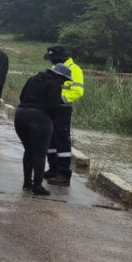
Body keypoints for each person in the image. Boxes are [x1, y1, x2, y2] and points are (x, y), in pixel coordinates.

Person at [14, 63, 73, 195]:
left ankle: (27, 183)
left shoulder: (32, 79)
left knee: (28, 150)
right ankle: (37, 186)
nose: (64, 83)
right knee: (39, 154)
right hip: (39, 119)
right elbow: (53, 106)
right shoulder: (54, 85)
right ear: (59, 76)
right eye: (64, 80)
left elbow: (22, 97)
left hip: (20, 116)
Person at [43, 45, 85, 185]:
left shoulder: (75, 69)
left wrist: (59, 98)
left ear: (62, 57)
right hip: (51, 109)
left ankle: (63, 174)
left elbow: (78, 91)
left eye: (53, 59)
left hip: (63, 109)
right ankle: (53, 169)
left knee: (62, 140)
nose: (51, 62)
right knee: (51, 140)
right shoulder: (55, 68)